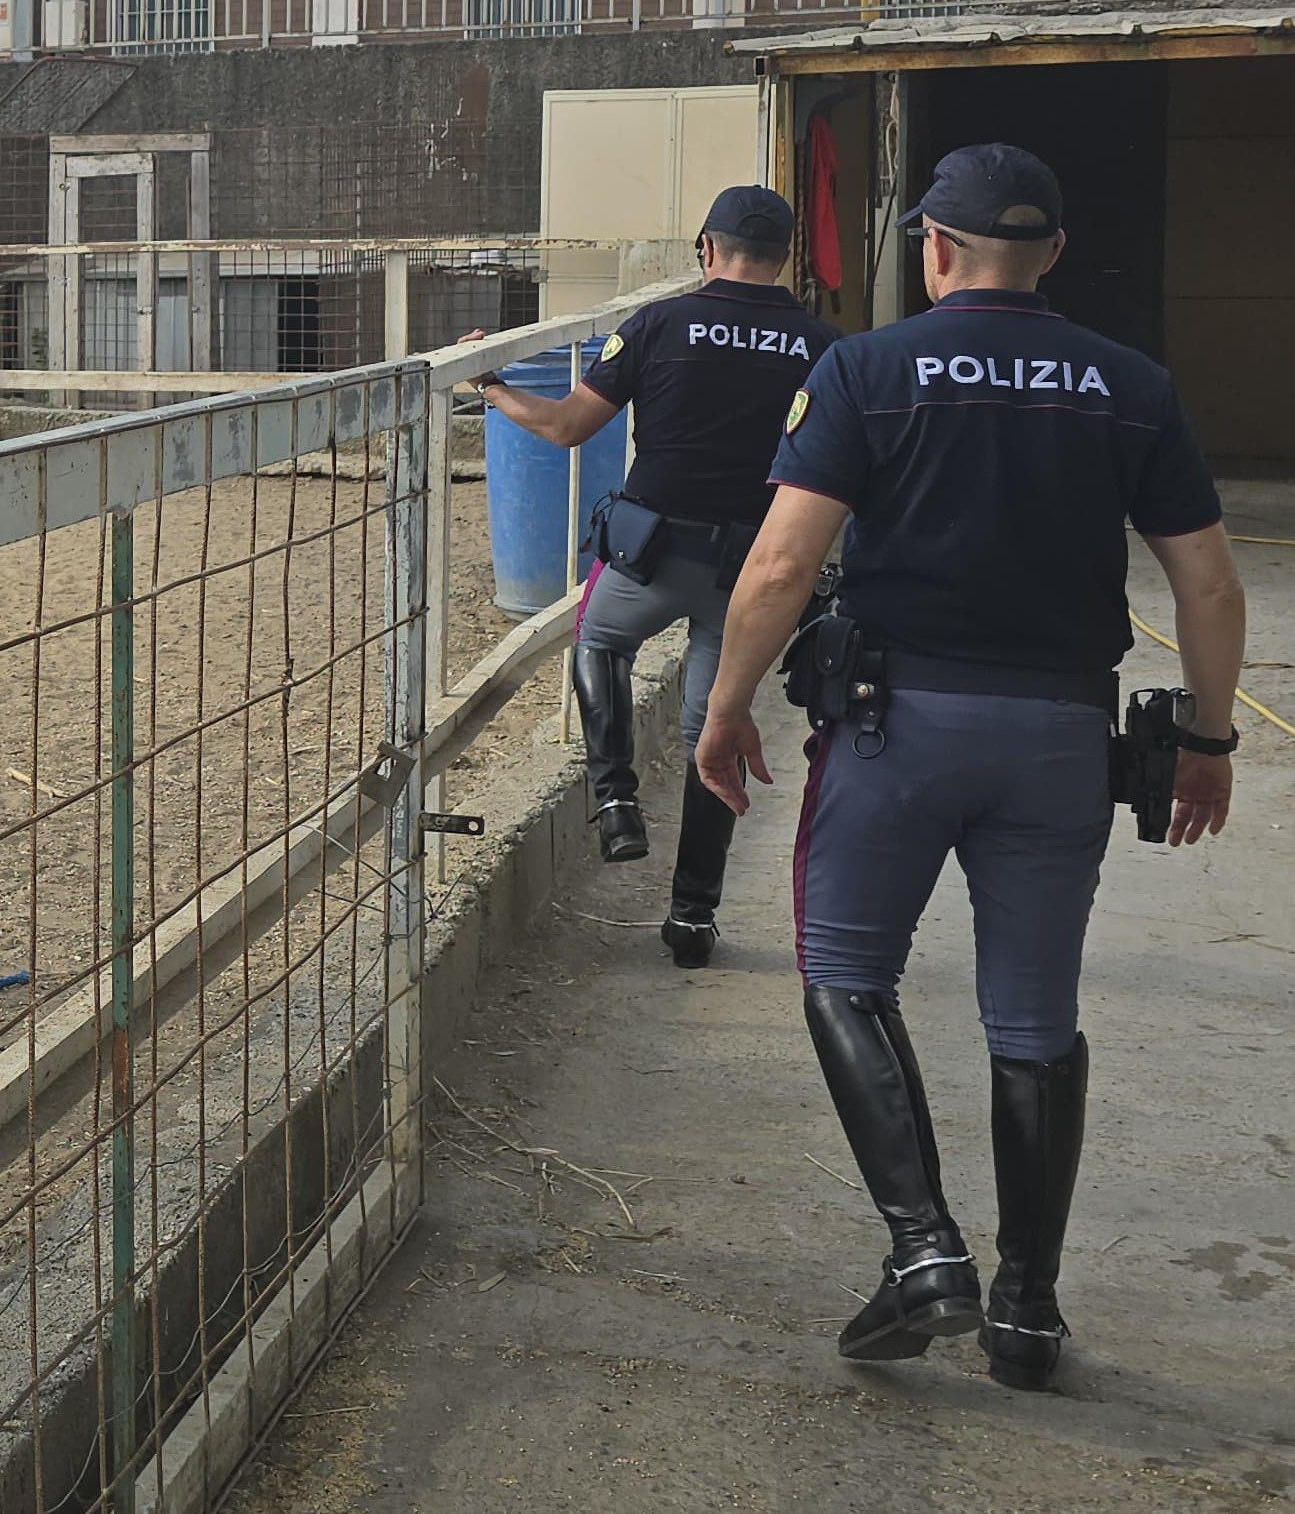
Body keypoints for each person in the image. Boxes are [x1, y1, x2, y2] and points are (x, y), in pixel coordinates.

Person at [695, 144, 1245, 1389]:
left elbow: (781, 569)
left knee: (842, 971)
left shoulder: (868, 369)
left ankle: (923, 1249)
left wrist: (724, 709)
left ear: (932, 250)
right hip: (1059, 742)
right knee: (1035, 1020)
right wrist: (1208, 738)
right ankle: (1029, 1312)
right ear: (1052, 254)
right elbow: (1205, 581)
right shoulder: (1130, 385)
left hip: (898, 731)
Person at [464, 186, 836, 967]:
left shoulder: (658, 324)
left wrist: (495, 390)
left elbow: (567, 426)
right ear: (785, 257)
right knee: (714, 731)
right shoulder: (819, 346)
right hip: (751, 571)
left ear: (706, 247)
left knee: (596, 639)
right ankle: (693, 917)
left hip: (652, 553)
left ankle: (614, 798)